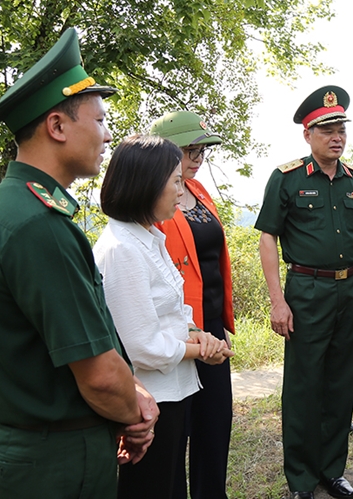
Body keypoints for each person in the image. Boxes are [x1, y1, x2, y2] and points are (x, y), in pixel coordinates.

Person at [0, 28, 159, 499]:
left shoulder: (14, 207)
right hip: (56, 459)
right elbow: (94, 374)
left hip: (41, 447)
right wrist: (135, 412)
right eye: (98, 120)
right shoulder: (38, 224)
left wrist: (131, 391)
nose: (107, 134)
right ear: (57, 126)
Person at [94, 135, 232, 499]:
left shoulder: (148, 238)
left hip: (173, 390)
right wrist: (199, 350)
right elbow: (142, 346)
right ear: (146, 184)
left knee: (172, 485)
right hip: (150, 399)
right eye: (174, 181)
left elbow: (172, 309)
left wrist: (196, 333)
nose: (179, 190)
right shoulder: (122, 249)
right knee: (153, 488)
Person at [255, 86, 353, 499]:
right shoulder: (286, 179)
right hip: (306, 291)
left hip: (351, 290)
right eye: (326, 129)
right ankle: (302, 479)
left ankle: (332, 469)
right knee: (304, 386)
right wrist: (277, 300)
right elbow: (267, 239)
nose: (336, 136)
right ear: (308, 135)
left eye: (341, 128)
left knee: (341, 383)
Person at [149, 110, 236, 499]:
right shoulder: (152, 199)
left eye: (202, 149)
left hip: (211, 325)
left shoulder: (199, 192)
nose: (198, 157)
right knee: (177, 426)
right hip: (179, 330)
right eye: (189, 149)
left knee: (215, 423)